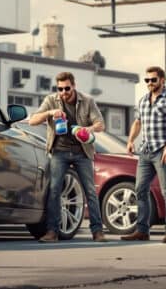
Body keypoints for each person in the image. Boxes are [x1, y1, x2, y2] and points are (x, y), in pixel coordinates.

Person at [28, 71, 107, 243]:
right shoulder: (51, 100)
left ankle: (98, 231)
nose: (64, 93)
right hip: (59, 151)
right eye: (60, 89)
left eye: (67, 89)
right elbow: (32, 120)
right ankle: (52, 232)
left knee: (90, 191)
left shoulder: (87, 101)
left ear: (74, 86)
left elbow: (101, 124)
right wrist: (50, 113)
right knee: (55, 190)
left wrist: (88, 129)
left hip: (82, 151)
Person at [121, 66, 166, 243]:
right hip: (145, 151)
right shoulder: (142, 101)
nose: (150, 83)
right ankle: (142, 230)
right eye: (147, 80)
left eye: (153, 80)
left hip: (163, 151)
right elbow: (137, 122)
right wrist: (130, 140)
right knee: (140, 190)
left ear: (162, 80)